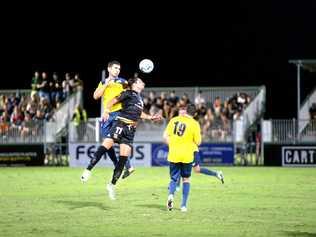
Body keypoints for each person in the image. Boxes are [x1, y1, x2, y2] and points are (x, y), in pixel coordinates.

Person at [102, 76, 161, 200]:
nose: (142, 83)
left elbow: (139, 113)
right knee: (107, 146)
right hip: (118, 121)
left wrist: (150, 117)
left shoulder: (138, 97)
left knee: (121, 158)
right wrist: (107, 110)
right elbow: (106, 98)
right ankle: (124, 168)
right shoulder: (125, 91)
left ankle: (114, 182)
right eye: (140, 81)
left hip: (128, 128)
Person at [80, 61, 133, 183]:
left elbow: (130, 92)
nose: (117, 70)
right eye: (115, 68)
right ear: (109, 69)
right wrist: (106, 85)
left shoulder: (122, 82)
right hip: (107, 115)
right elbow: (95, 96)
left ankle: (128, 166)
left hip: (119, 114)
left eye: (119, 68)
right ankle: (118, 165)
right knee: (107, 143)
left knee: (115, 139)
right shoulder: (103, 82)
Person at [163, 104, 201, 212]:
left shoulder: (174, 120)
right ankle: (183, 205)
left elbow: (165, 136)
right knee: (186, 179)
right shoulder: (194, 124)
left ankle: (170, 195)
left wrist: (172, 144)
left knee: (174, 178)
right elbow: (198, 142)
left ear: (186, 111)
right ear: (195, 113)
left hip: (173, 154)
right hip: (187, 155)